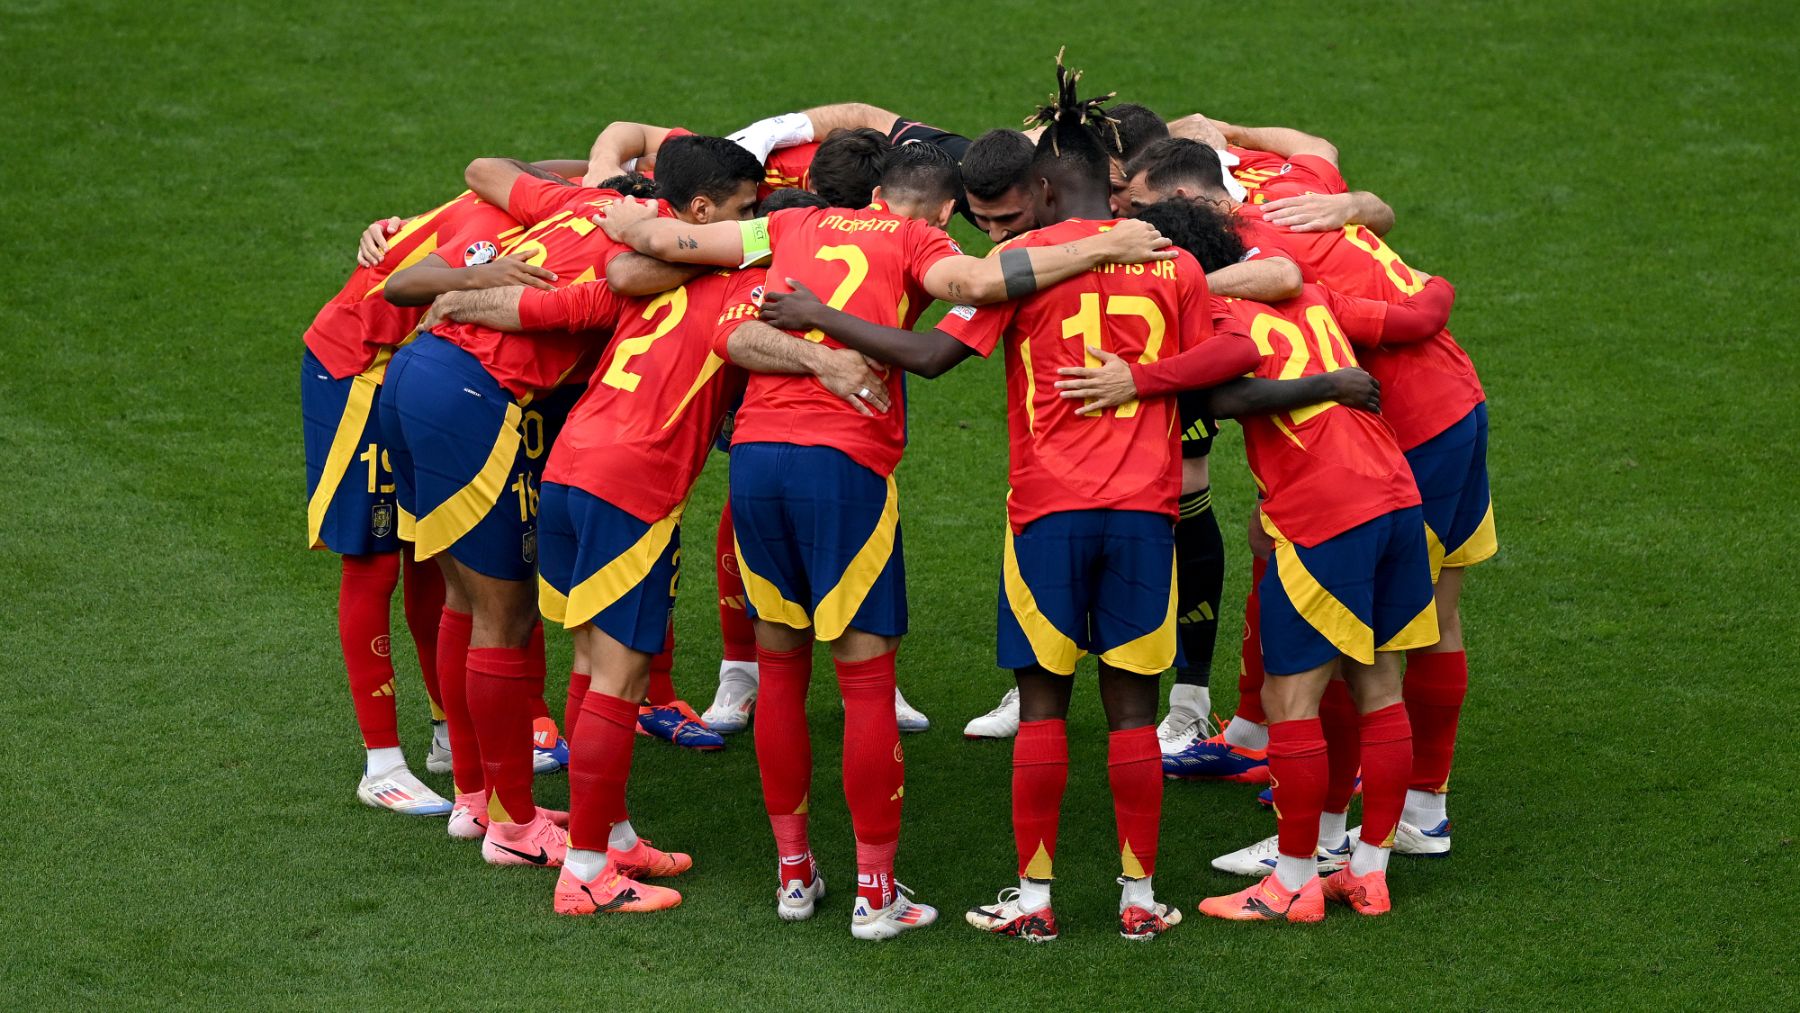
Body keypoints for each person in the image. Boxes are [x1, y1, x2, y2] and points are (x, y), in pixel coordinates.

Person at [595, 139, 1175, 939]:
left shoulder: (787, 226)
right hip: (847, 467)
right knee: (866, 683)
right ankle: (877, 894)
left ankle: (793, 876)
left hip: (757, 463)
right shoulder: (922, 240)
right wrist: (1105, 240)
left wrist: (606, 207)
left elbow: (661, 243)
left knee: (780, 666)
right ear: (942, 208)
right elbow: (972, 283)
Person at [378, 137, 757, 862]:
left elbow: (487, 166)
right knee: (506, 615)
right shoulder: (651, 260)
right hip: (473, 392)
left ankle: (477, 798)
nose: (751, 219)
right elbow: (612, 282)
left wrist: (457, 287)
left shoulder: (591, 201)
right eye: (743, 211)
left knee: (464, 600)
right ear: (697, 211)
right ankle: (515, 827)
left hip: (414, 377)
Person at [1129, 136, 1493, 855]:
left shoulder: (1250, 261)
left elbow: (1276, 289)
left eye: (1135, 207)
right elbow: (1421, 303)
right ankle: (1418, 811)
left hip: (1397, 431)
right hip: (1453, 401)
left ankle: (1318, 839)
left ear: (1183, 201)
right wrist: (1410, 257)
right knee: (1426, 622)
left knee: (1345, 640)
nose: (1125, 221)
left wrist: (1184, 291)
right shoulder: (1300, 183)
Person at [1080, 197, 1436, 921]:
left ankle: (1294, 881)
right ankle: (1368, 871)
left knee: (1290, 699)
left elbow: (1227, 390)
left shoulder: (1216, 312)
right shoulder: (1293, 288)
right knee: (1380, 683)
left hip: (1325, 509)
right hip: (1394, 489)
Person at [303, 182, 560, 817]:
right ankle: (381, 762)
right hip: (359, 366)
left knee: (433, 553)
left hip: (414, 375)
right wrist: (486, 274)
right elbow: (411, 287)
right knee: (373, 561)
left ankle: (451, 734)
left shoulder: (559, 200)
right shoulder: (493, 231)